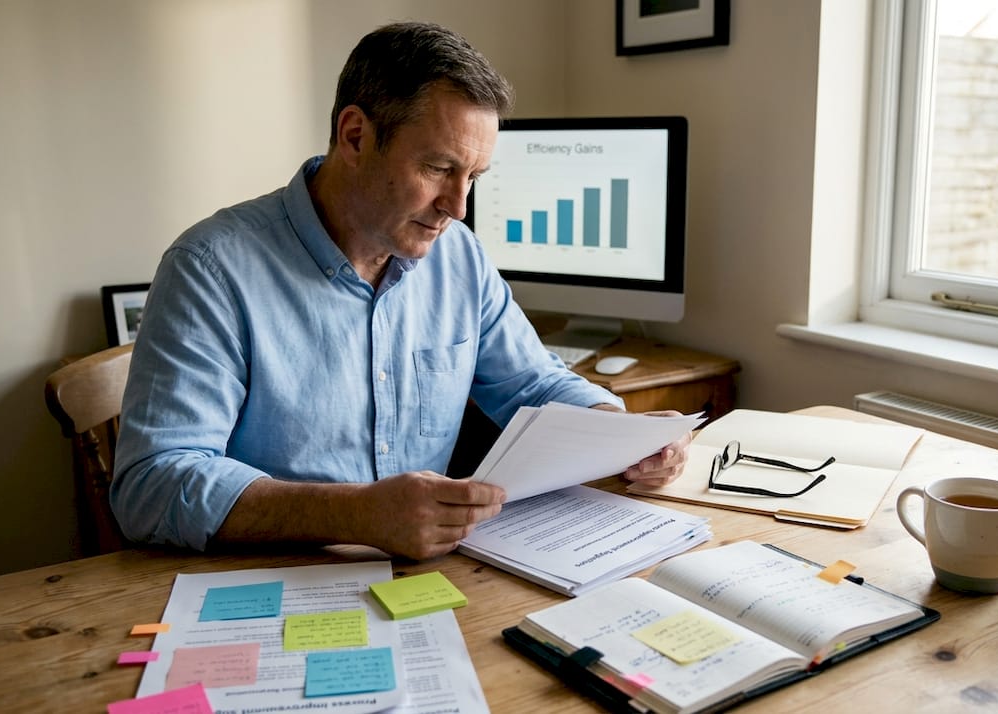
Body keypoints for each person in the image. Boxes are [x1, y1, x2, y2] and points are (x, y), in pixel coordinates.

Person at [110, 21, 691, 560]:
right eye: (438, 169)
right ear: (356, 135)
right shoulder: (211, 269)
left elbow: (531, 382)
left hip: (424, 581)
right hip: (265, 582)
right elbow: (152, 484)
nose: (458, 208)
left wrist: (625, 435)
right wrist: (355, 515)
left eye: (474, 178)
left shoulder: (458, 256)